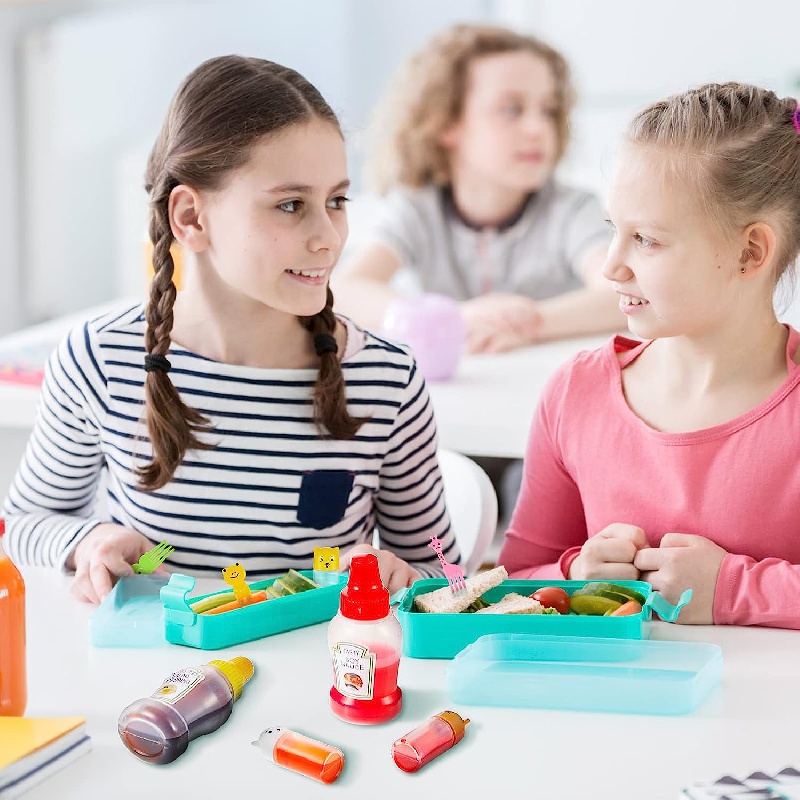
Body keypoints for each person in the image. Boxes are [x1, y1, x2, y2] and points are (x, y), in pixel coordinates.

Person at [1, 55, 459, 603]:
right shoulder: (100, 359)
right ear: (191, 217)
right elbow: (25, 523)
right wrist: (89, 540)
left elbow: (445, 570)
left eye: (337, 200)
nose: (329, 237)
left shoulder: (387, 378)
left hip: (323, 676)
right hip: (153, 674)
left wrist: (406, 574)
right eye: (291, 205)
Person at [497, 83, 800, 628]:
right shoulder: (575, 393)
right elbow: (516, 578)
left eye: (648, 240)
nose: (612, 266)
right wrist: (574, 576)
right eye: (615, 230)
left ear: (750, 251)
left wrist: (734, 590)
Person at [333, 23, 623, 355]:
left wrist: (530, 323)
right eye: (511, 109)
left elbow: (621, 294)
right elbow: (346, 289)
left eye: (548, 110)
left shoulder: (572, 209)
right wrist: (456, 319)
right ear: (445, 123)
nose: (538, 128)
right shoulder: (416, 210)